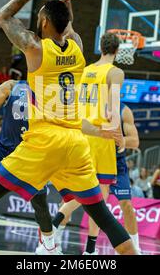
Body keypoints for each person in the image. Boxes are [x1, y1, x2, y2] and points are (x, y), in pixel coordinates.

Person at [0, 0, 136, 256]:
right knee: (101, 214)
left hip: (44, 140)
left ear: (45, 22)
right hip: (75, 143)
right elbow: (67, 23)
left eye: (40, 17)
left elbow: (3, 16)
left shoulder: (36, 48)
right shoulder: (77, 46)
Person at [0, 71, 120, 255]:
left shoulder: (53, 93)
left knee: (40, 205)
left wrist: (100, 129)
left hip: (33, 156)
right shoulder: (13, 86)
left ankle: (49, 245)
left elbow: (77, 123)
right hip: (2, 151)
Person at [50, 30, 127, 255]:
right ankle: (87, 248)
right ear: (118, 50)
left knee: (84, 193)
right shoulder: (115, 72)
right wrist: (119, 137)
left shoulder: (86, 70)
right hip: (100, 137)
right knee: (99, 199)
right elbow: (113, 109)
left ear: (101, 48)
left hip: (80, 134)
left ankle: (55, 229)